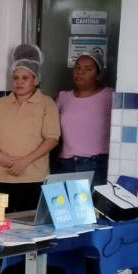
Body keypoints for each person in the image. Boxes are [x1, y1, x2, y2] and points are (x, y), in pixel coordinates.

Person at [0, 44, 60, 274]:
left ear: (36, 80)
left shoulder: (46, 104)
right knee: (1, 229)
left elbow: (52, 139)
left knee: (28, 231)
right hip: (2, 177)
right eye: (16, 78)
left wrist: (25, 161)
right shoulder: (1, 104)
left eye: (25, 78)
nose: (19, 82)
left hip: (32, 177)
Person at [56, 53, 113, 188]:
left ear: (98, 75)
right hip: (66, 164)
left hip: (96, 164)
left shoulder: (110, 95)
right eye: (77, 67)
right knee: (63, 202)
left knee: (92, 202)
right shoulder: (63, 97)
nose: (80, 72)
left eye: (88, 69)